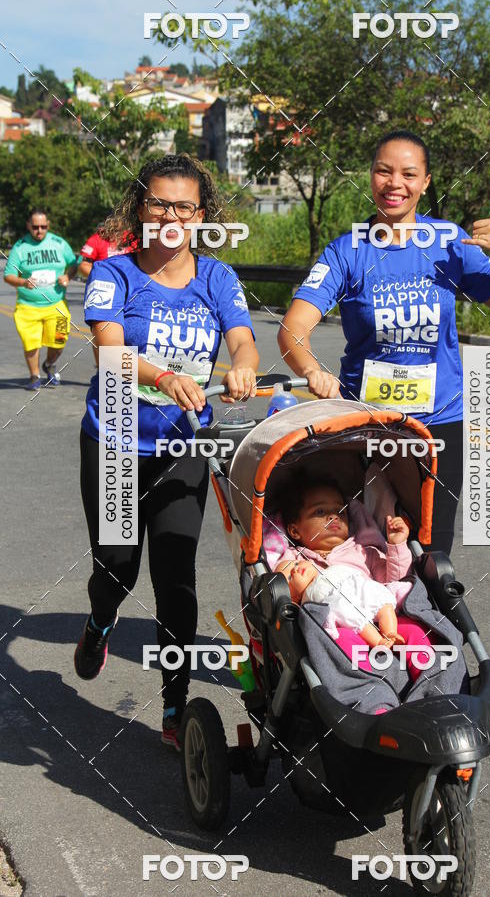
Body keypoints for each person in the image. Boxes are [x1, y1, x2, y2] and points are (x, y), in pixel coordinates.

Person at [74, 153, 259, 750]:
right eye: (159, 203)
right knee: (118, 567)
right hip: (118, 442)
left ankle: (175, 709)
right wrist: (160, 378)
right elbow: (108, 350)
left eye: (185, 206)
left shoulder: (218, 278)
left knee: (176, 576)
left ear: (201, 215)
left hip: (182, 447)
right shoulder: (115, 273)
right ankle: (101, 620)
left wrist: (245, 368)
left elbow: (241, 337)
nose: (172, 216)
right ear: (140, 207)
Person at [277, 130, 490, 554]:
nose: (395, 184)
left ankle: (428, 621)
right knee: (372, 545)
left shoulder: (448, 241)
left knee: (434, 551)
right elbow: (291, 332)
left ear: (426, 181)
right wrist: (311, 371)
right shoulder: (347, 250)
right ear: (371, 175)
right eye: (384, 171)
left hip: (440, 421)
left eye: (409, 174)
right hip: (368, 426)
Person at [275, 478, 432, 680]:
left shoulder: (363, 551)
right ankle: (372, 698)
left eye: (340, 511)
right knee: (343, 644)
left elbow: (395, 581)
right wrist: (292, 585)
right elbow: (280, 592)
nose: (334, 517)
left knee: (415, 631)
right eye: (320, 512)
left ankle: (433, 686)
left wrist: (396, 546)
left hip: (383, 621)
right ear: (295, 530)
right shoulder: (295, 559)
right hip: (337, 629)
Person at [4, 208, 79, 389]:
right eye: (35, 227)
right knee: (31, 343)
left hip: (57, 304)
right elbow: (8, 275)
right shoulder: (20, 247)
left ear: (48, 225)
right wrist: (23, 282)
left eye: (43, 226)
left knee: (59, 341)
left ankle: (49, 364)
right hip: (28, 306)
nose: (39, 231)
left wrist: (67, 277)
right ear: (28, 225)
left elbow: (73, 264)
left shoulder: (59, 243)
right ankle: (34, 376)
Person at [78, 229, 138, 366]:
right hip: (105, 295)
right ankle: (104, 371)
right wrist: (106, 278)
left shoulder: (133, 238)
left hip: (131, 294)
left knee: (130, 335)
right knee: (102, 336)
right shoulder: (97, 239)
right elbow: (84, 265)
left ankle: (131, 375)